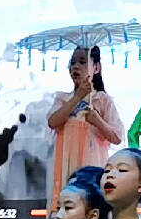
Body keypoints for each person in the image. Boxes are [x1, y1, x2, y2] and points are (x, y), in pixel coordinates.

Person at [47, 44, 124, 193]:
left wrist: (97, 121)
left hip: (92, 165)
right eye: (73, 62)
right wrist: (77, 97)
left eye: (82, 62)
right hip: (65, 165)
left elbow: (117, 138)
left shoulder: (102, 100)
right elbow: (52, 122)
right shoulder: (63, 99)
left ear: (96, 68)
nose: (75, 66)